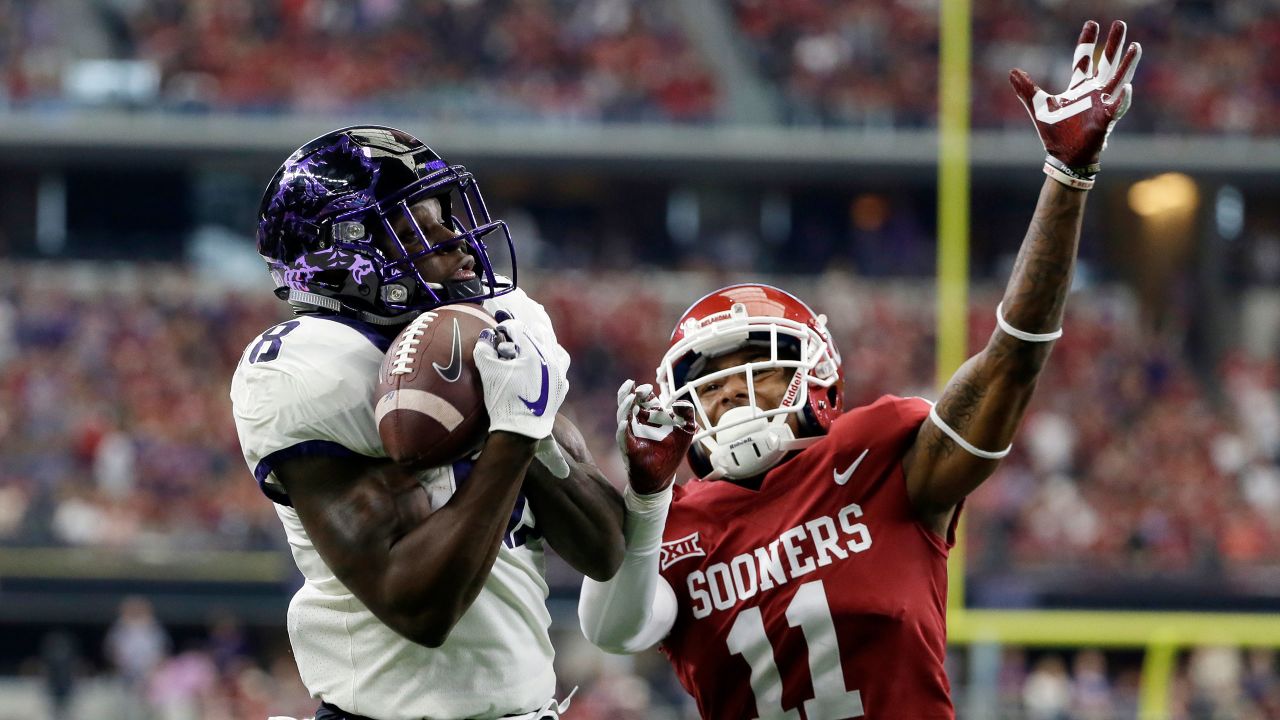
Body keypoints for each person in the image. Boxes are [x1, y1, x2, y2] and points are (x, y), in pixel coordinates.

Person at [578, 20, 1142, 719]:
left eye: (759, 367)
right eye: (713, 381)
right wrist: (643, 498)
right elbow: (614, 629)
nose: (734, 393)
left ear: (815, 376)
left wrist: (1067, 179)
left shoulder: (879, 454)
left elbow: (1014, 358)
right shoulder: (675, 521)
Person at [230, 126, 625, 720]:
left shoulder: (490, 328)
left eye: (448, 215)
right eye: (421, 225)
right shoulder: (313, 371)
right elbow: (419, 608)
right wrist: (512, 434)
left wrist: (532, 426)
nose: (459, 239)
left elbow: (604, 550)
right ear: (347, 255)